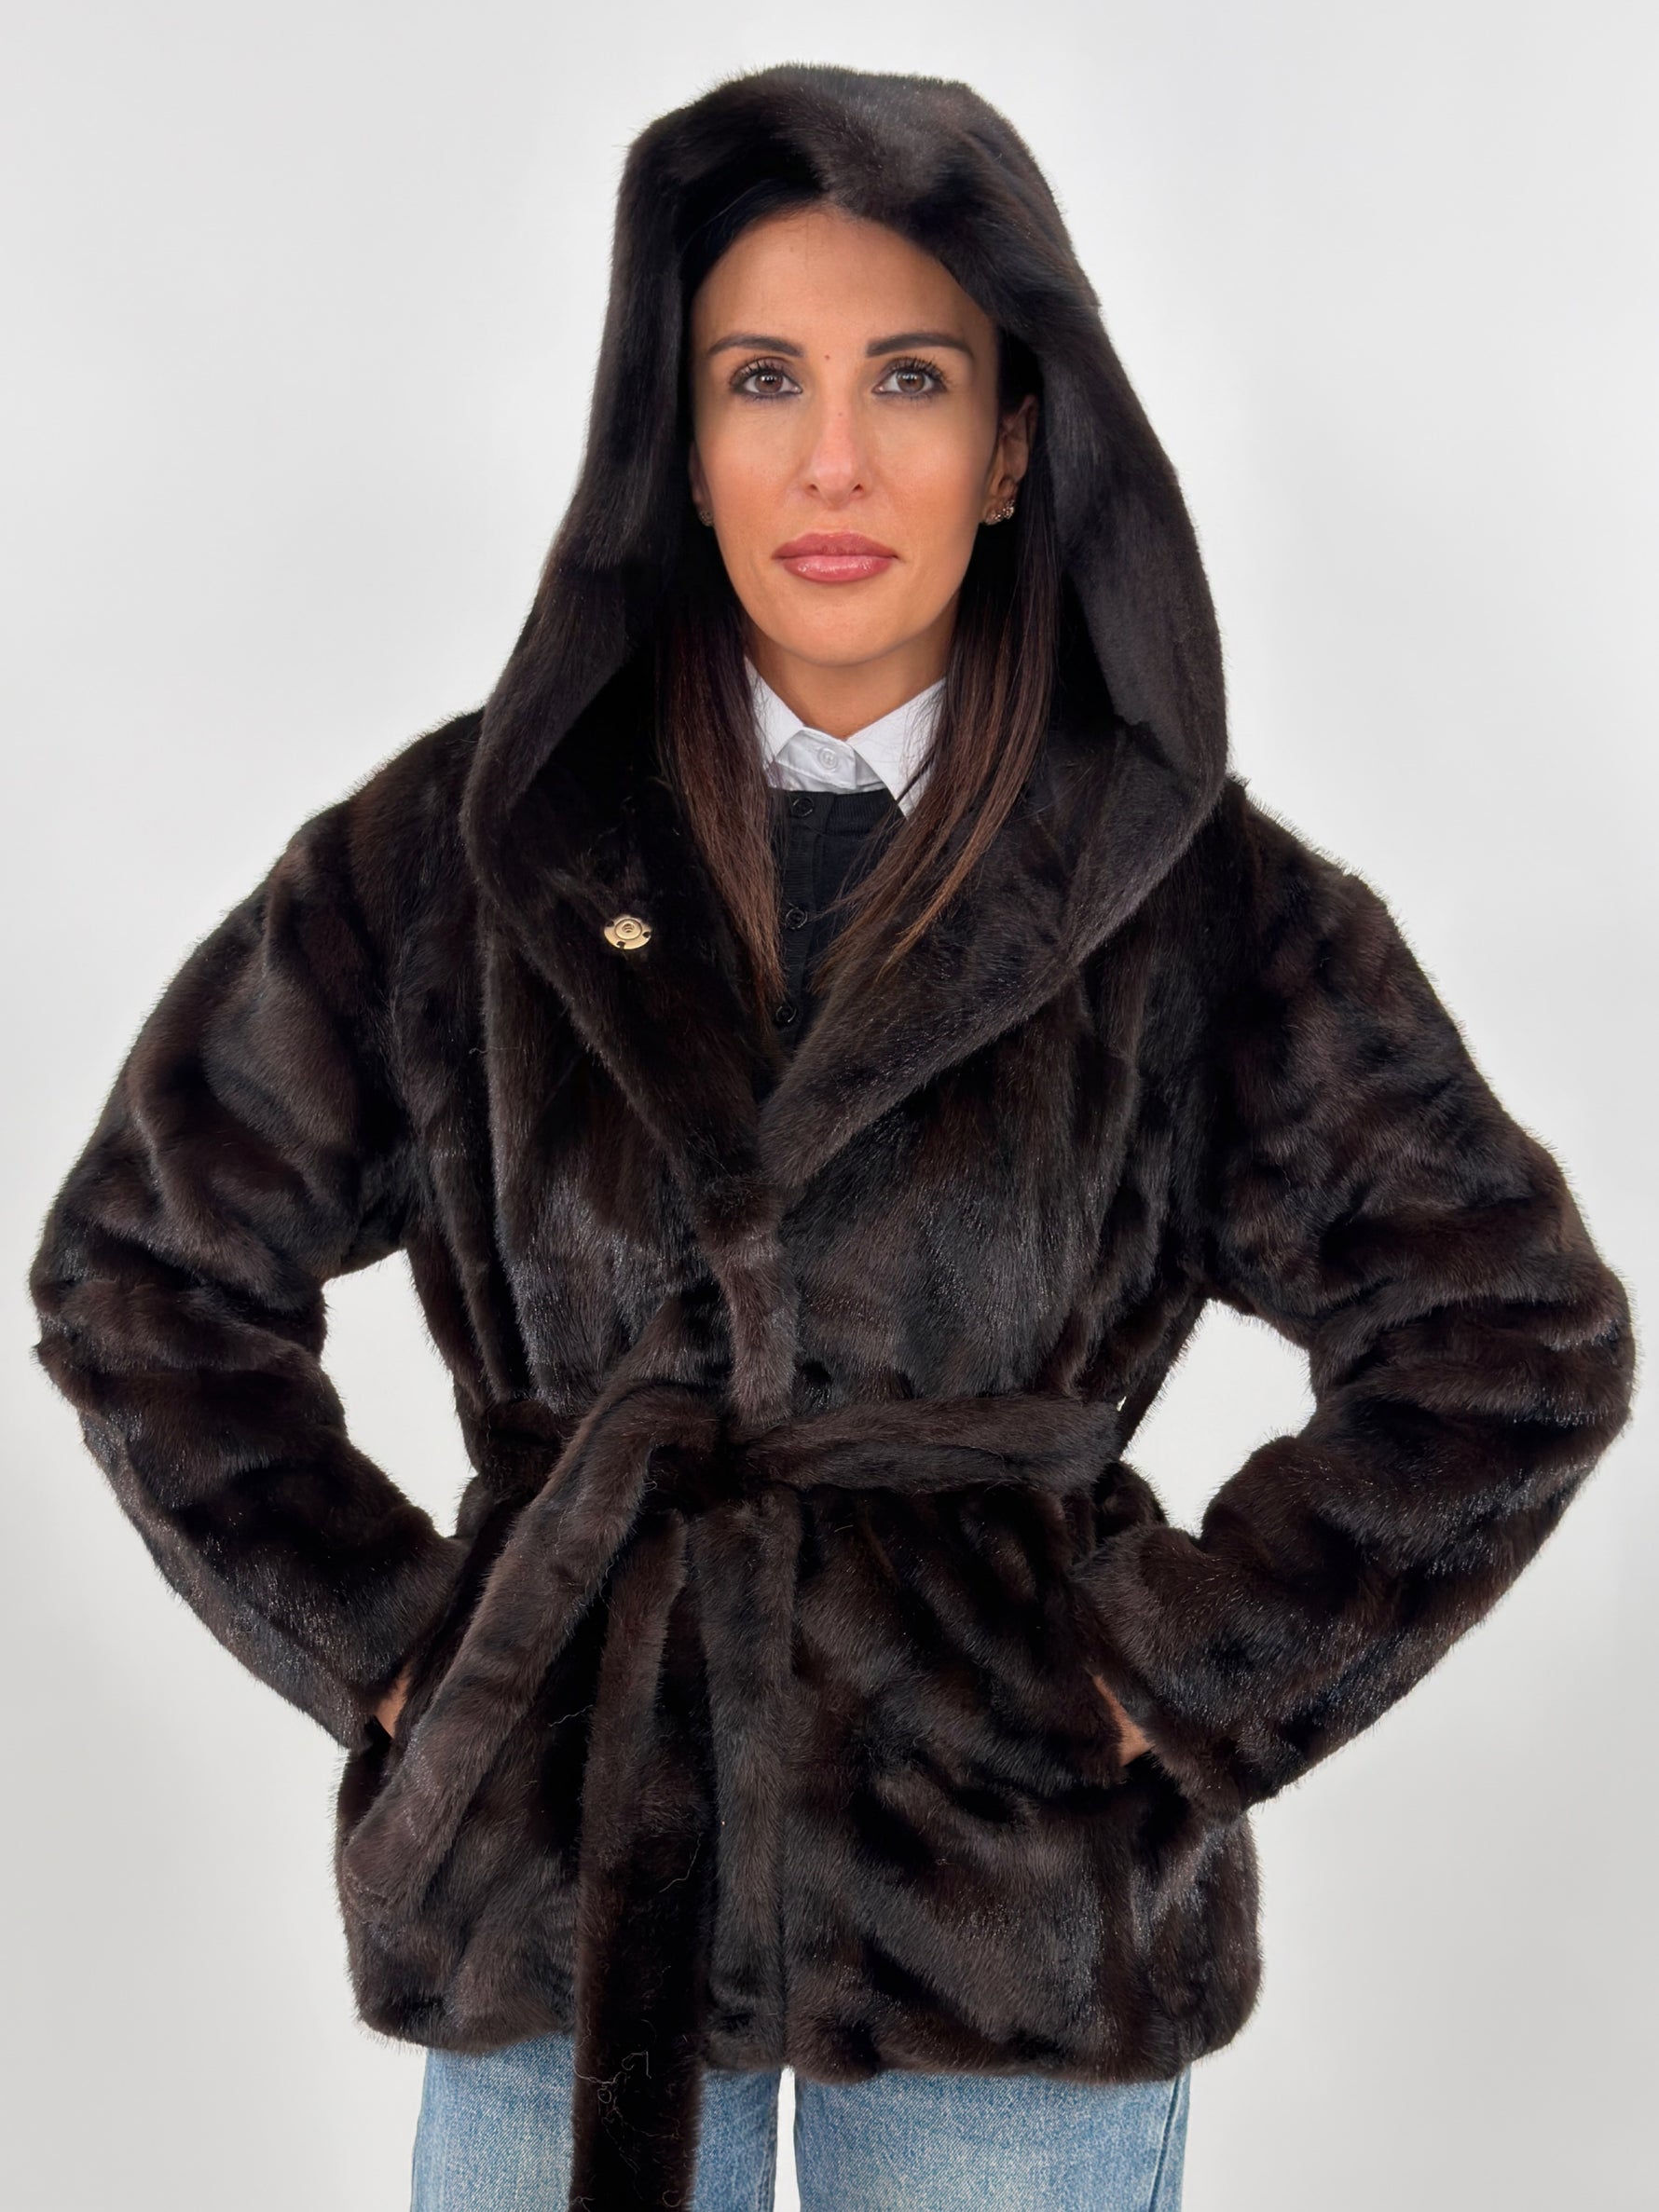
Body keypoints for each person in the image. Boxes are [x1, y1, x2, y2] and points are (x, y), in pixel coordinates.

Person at [27, 62, 1634, 2212]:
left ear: (1013, 443)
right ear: (676, 444)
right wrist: (403, 1644)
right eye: (761, 378)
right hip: (565, 1891)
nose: (833, 458)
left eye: (909, 378)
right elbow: (144, 1264)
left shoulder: (1182, 895)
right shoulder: (473, 854)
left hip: (1004, 1901)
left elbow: (1505, 1328)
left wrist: (1166, 1672)